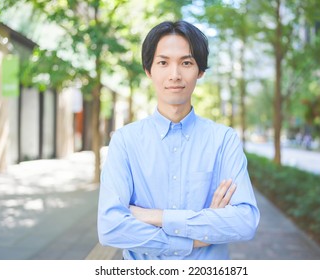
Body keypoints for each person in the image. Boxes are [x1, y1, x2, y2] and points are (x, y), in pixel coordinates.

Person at [97, 20, 260, 260]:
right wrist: (196, 238)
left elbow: (245, 222)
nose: (175, 75)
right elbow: (111, 228)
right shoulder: (125, 141)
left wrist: (157, 216)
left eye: (186, 63)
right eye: (163, 63)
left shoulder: (223, 140)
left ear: (200, 71)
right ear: (149, 70)